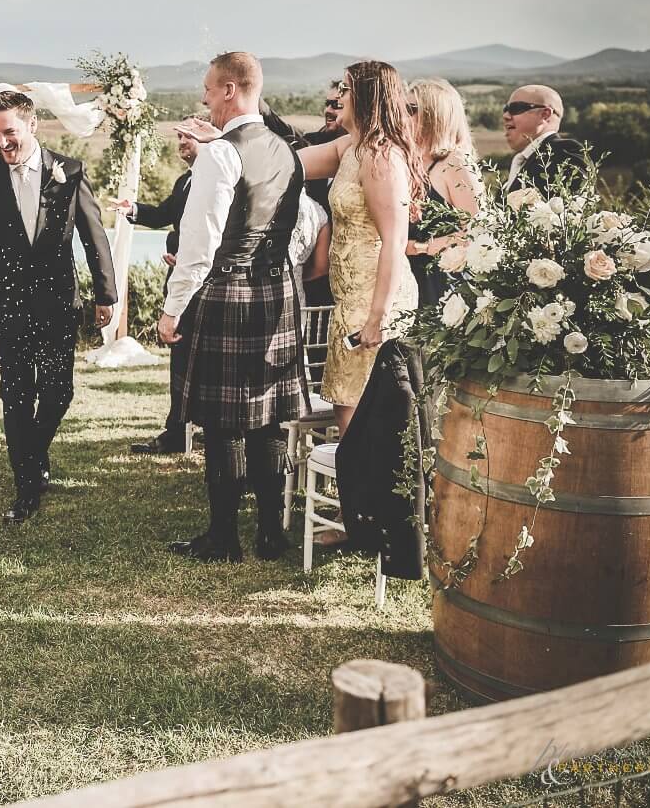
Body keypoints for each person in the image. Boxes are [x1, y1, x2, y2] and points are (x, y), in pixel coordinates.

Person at [0, 90, 117, 525]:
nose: (2, 142)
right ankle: (26, 487)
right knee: (16, 393)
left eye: (10, 132)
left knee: (59, 392)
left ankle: (33, 455)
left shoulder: (69, 171)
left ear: (32, 125)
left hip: (57, 301)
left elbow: (94, 235)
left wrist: (105, 293)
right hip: (6, 303)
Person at [162, 52, 306, 563]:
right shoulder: (288, 151)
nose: (203, 99)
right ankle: (271, 535)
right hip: (278, 291)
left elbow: (199, 246)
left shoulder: (221, 154)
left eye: (207, 89)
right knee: (267, 421)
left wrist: (172, 309)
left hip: (228, 291)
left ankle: (223, 538)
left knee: (222, 424)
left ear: (229, 90)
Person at [286, 61, 421, 436]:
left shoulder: (382, 156)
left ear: (365, 95)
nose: (338, 96)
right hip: (349, 299)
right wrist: (224, 149)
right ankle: (359, 493)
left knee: (361, 420)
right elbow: (287, 165)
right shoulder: (350, 147)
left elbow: (394, 240)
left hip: (376, 299)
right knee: (347, 409)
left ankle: (368, 494)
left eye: (345, 89)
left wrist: (377, 317)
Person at [111, 122, 198, 455]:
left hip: (199, 282)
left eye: (187, 136)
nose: (181, 142)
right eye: (178, 137)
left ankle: (190, 430)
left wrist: (190, 259)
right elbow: (164, 213)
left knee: (191, 363)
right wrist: (132, 209)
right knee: (179, 362)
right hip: (180, 279)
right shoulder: (185, 181)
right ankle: (177, 431)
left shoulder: (214, 181)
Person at [405, 79, 481, 307]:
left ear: (434, 115)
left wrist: (424, 247)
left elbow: (480, 232)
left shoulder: (456, 163)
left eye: (410, 110)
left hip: (443, 287)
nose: (400, 117)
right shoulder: (410, 163)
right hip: (408, 282)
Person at [501, 84, 587, 193]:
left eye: (516, 108)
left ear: (545, 115)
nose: (506, 116)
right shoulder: (518, 168)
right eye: (505, 109)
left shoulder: (565, 153)